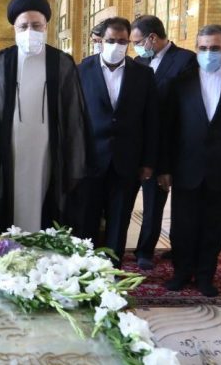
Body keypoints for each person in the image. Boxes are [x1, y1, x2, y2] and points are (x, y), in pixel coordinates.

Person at [0, 0, 90, 233]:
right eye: (23, 26)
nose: (30, 31)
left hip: (49, 155)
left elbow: (74, 118)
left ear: (46, 27)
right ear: (14, 28)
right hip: (8, 155)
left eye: (36, 26)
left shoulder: (62, 63)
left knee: (46, 215)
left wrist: (75, 165)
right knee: (6, 217)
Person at [158, 24, 221, 297]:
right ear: (196, 49)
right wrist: (164, 168)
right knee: (182, 225)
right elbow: (168, 130)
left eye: (214, 48)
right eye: (203, 48)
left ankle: (205, 276)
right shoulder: (179, 83)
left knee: (214, 226)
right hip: (186, 168)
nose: (208, 53)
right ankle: (181, 272)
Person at [76, 17, 157, 264]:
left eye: (122, 41)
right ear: (100, 41)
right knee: (87, 217)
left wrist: (148, 162)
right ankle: (85, 266)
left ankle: (112, 266)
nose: (116, 46)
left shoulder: (143, 74)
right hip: (90, 159)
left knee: (120, 218)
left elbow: (151, 121)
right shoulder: (81, 71)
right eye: (111, 40)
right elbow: (73, 117)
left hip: (126, 159)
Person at [129, 14, 198, 270]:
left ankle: (152, 249)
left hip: (173, 142)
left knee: (165, 202)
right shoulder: (139, 61)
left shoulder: (185, 60)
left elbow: (185, 103)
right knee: (141, 200)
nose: (135, 47)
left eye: (137, 41)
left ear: (152, 38)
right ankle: (139, 247)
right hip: (144, 141)